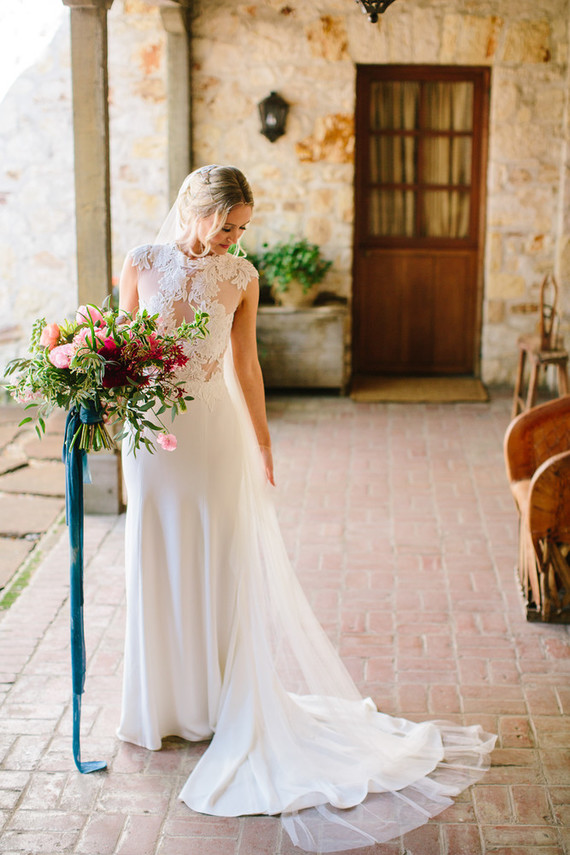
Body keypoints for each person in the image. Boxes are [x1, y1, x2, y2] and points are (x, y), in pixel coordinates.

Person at [117, 164, 495, 853]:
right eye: (227, 225)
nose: (234, 238)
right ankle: (161, 703)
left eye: (242, 228)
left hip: (212, 433)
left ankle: (215, 701)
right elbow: (118, 348)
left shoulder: (241, 276)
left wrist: (262, 441)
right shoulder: (141, 261)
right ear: (196, 209)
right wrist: (103, 401)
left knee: (216, 558)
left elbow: (246, 365)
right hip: (150, 438)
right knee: (155, 553)